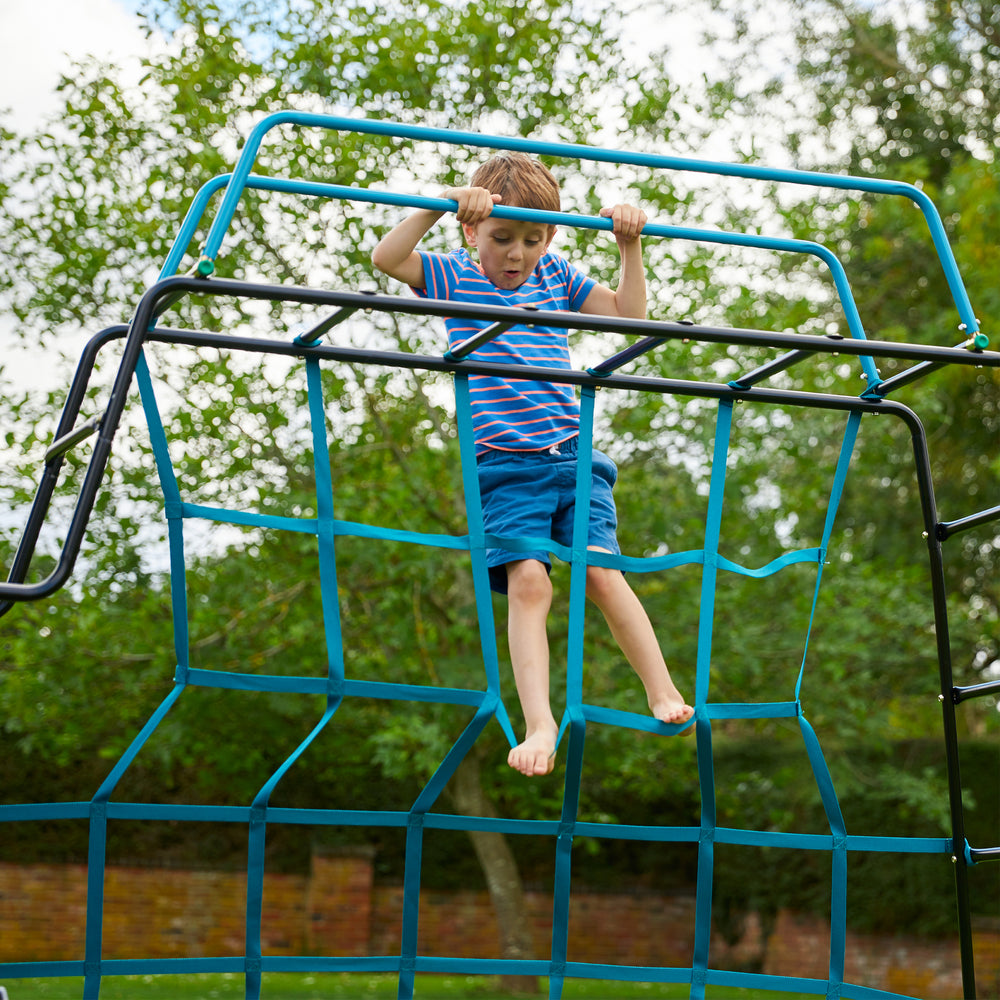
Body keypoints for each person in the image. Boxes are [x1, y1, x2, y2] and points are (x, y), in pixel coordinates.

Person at [371, 151, 693, 777]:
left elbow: (631, 320)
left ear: (549, 239)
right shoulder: (450, 276)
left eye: (532, 239)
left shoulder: (558, 277)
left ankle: (662, 690)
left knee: (602, 574)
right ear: (473, 231)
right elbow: (386, 260)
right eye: (503, 238)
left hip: (573, 455)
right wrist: (441, 202)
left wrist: (630, 244)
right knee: (530, 583)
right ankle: (540, 723)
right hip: (504, 464)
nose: (517, 254)